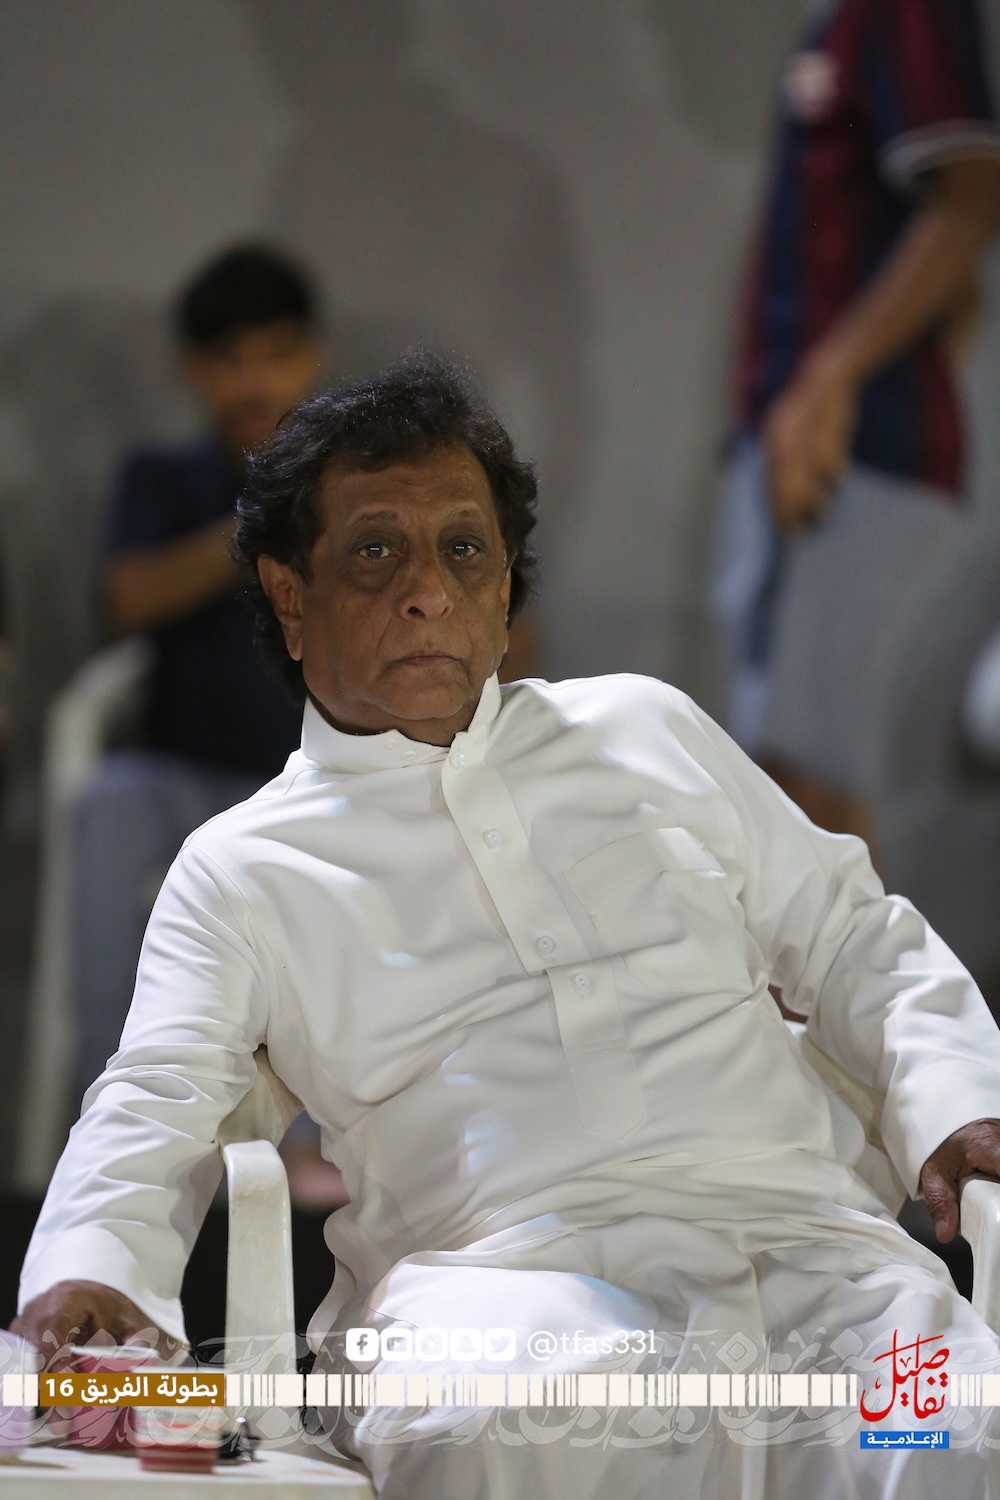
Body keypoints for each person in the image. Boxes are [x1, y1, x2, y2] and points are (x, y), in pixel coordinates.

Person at [14, 356, 1000, 1497]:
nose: (428, 591)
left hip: (810, 1248)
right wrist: (92, 1266)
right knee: (513, 1417)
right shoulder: (244, 869)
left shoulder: (645, 728)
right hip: (499, 1286)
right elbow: (160, 1092)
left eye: (463, 550)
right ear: (290, 595)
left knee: (949, 1431)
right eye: (376, 552)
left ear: (502, 591)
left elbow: (851, 935)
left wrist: (958, 1099)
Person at [712, 0, 1000, 849]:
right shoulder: (843, 17)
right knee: (789, 784)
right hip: (819, 431)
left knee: (803, 797)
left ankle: (857, 951)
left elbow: (971, 196)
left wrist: (827, 386)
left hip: (845, 447)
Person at [71, 244, 322, 1101]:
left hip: (309, 787)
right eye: (230, 360)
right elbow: (126, 596)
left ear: (313, 356)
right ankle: (108, 1092)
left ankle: (315, 1143)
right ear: (192, 369)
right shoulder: (166, 478)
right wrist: (264, 521)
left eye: (276, 355)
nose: (255, 383)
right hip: (177, 778)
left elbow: (512, 637)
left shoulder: (356, 490)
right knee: (105, 799)